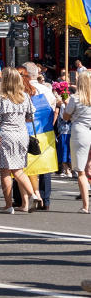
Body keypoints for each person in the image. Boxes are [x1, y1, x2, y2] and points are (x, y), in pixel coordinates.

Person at [0, 67, 43, 216]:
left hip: (6, 134)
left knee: (5, 170)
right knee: (19, 169)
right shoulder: (24, 96)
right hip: (22, 134)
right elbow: (30, 117)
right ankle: (33, 194)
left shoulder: (0, 97)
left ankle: (8, 205)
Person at [59, 70, 91, 215]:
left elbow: (65, 117)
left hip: (80, 132)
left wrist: (66, 105)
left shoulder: (76, 98)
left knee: (81, 171)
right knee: (88, 168)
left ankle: (85, 205)